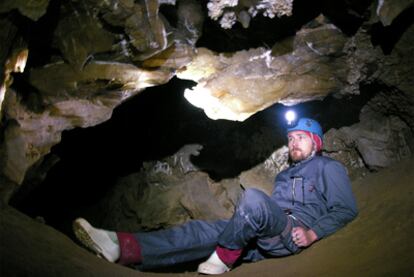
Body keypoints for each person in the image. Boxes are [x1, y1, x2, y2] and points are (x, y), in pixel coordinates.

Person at [73, 118, 358, 274]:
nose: (294, 142)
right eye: (291, 138)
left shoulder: (327, 167)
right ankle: (122, 247)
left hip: (292, 233)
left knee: (255, 200)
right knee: (201, 230)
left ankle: (223, 258)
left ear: (316, 143)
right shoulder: (284, 175)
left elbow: (345, 209)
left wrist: (312, 234)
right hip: (266, 234)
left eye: (302, 138)